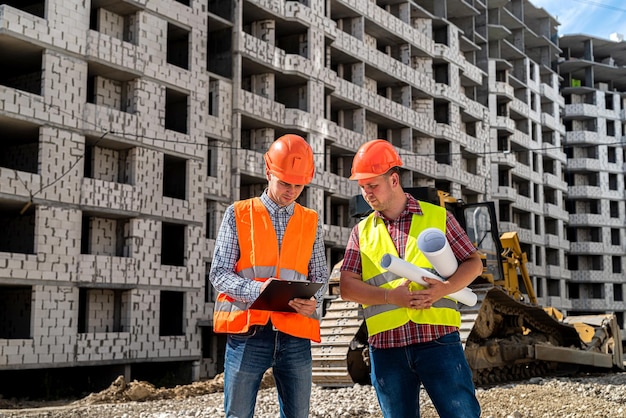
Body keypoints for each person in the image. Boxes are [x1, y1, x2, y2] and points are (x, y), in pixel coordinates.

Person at [340, 139, 482, 418]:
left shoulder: (438, 217)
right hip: (386, 347)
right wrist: (389, 297)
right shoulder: (361, 231)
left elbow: (473, 263)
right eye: (362, 186)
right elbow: (347, 287)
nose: (367, 193)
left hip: (437, 339)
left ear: (394, 180)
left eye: (372, 185)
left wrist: (444, 289)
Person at [209, 134, 328, 418]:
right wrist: (258, 291)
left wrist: (314, 301)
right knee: (238, 414)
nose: (291, 191)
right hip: (249, 332)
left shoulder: (310, 220)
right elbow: (219, 273)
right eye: (285, 183)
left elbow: (320, 275)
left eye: (298, 185)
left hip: (295, 334)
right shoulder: (238, 213)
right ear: (268, 173)